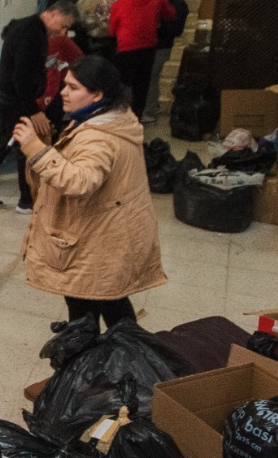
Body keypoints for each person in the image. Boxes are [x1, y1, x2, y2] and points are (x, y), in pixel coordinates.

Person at [12, 55, 167, 331]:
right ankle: (120, 345)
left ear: (97, 95)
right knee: (108, 296)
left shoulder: (99, 135)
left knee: (89, 300)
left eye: (73, 87)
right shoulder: (110, 117)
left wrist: (35, 148)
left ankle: (91, 348)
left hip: (100, 235)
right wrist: (47, 145)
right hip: (108, 229)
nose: (64, 92)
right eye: (65, 85)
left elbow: (80, 182)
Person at [0, 1, 78, 214]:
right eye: (63, 25)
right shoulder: (32, 33)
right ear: (54, 14)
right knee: (24, 145)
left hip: (5, 95)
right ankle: (26, 201)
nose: (63, 32)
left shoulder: (28, 26)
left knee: (3, 141)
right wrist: (33, 111)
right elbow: (21, 78)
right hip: (14, 99)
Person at [108, 0, 177, 123]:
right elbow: (171, 14)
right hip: (148, 49)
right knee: (142, 86)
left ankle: (122, 118)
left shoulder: (118, 4)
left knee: (124, 85)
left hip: (126, 48)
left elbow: (112, 31)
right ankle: (137, 119)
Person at [142, 0, 190, 125]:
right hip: (150, 44)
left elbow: (177, 29)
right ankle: (151, 106)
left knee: (152, 77)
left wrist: (159, 25)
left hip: (161, 45)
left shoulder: (177, 2)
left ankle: (149, 112)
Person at [39, 0, 84, 134]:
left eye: (66, 28)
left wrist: (38, 109)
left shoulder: (55, 42)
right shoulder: (47, 38)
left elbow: (52, 77)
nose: (63, 32)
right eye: (63, 26)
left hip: (70, 84)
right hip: (69, 80)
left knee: (49, 127)